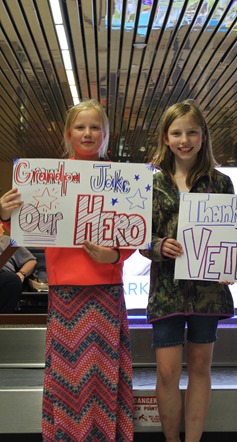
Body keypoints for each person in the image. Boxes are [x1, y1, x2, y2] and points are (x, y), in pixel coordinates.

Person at [0, 99, 135, 442]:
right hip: (66, 293)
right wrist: (4, 213)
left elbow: (133, 229)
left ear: (106, 134)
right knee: (68, 375)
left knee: (103, 374)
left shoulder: (122, 178)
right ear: (68, 133)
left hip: (106, 289)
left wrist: (116, 255)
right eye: (80, 127)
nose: (87, 133)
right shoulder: (45, 178)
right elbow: (16, 229)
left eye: (95, 127)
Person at [140, 100, 237, 442]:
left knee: (200, 368)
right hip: (166, 292)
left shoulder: (221, 183)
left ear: (203, 135)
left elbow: (236, 234)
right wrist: (158, 245)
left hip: (207, 294)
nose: (185, 139)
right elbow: (138, 235)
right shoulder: (152, 183)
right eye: (177, 133)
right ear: (165, 137)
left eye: (192, 132)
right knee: (166, 373)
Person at [0, 221, 37, 313]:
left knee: (12, 279)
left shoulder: (6, 240)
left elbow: (31, 261)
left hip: (4, 277)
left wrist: (21, 274)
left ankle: (3, 321)